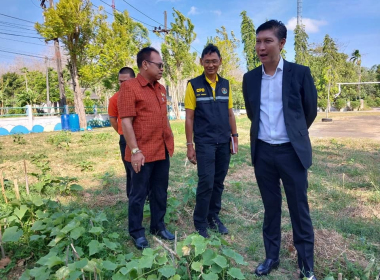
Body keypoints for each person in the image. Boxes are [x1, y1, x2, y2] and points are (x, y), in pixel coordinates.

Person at [242, 20, 318, 279]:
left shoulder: (300, 73)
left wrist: (293, 135)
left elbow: (309, 111)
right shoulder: (250, 78)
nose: (261, 47)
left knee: (299, 209)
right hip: (263, 153)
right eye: (258, 41)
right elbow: (253, 113)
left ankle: (306, 267)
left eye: (267, 41)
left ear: (282, 43)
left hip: (291, 153)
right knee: (270, 208)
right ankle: (271, 257)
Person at [118, 47, 175, 250]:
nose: (162, 68)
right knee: (138, 194)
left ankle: (158, 226)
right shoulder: (130, 88)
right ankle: (136, 232)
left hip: (161, 150)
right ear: (145, 65)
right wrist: (134, 151)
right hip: (141, 153)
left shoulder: (160, 89)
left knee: (160, 192)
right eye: (159, 65)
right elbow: (126, 122)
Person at [185, 43, 238, 238]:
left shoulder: (226, 85)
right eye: (207, 61)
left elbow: (230, 113)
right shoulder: (193, 85)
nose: (210, 65)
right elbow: (189, 117)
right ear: (201, 62)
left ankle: (213, 217)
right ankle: (200, 222)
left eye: (214, 61)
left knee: (218, 182)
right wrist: (190, 145)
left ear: (220, 62)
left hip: (223, 142)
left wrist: (235, 137)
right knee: (206, 182)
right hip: (205, 143)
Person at [108, 67, 136, 198]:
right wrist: (122, 132)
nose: (123, 85)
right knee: (130, 170)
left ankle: (147, 196)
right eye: (120, 82)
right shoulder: (114, 99)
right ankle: (132, 198)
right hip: (125, 139)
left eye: (126, 81)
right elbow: (113, 119)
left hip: (142, 137)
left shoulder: (140, 95)